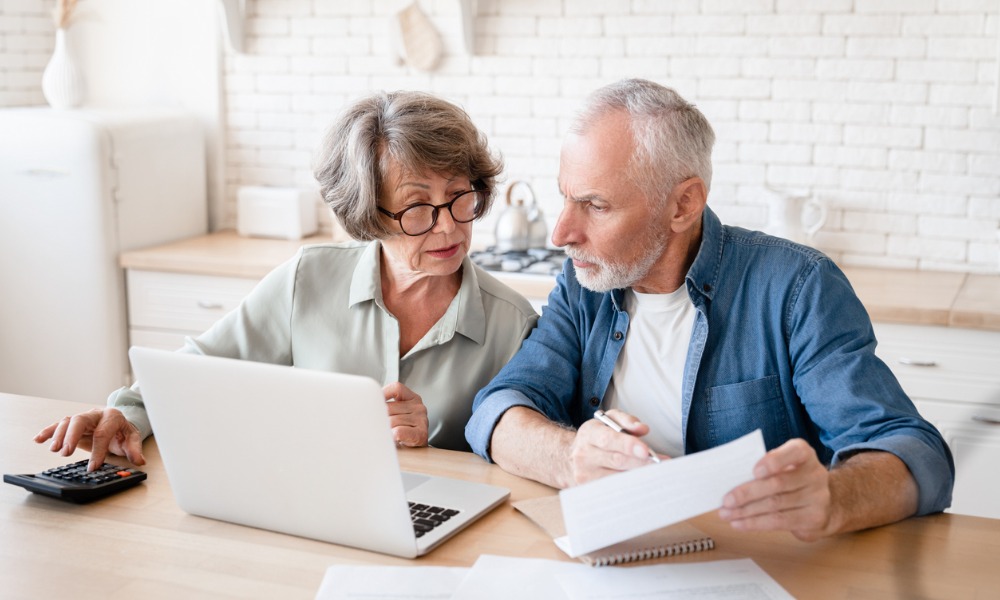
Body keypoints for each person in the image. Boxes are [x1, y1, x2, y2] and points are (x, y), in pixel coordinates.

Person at [465, 78, 954, 541]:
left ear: (683, 204)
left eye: (595, 205)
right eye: (565, 197)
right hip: (615, 555)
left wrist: (834, 496)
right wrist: (570, 456)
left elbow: (916, 453)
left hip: (763, 562)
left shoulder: (797, 287)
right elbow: (497, 410)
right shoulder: (584, 282)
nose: (561, 234)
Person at [36, 90, 538, 470]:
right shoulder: (309, 279)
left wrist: (431, 448)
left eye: (459, 195)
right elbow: (197, 373)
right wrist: (124, 416)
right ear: (369, 215)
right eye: (417, 207)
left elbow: (516, 471)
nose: (449, 224)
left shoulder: (513, 325)